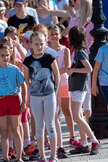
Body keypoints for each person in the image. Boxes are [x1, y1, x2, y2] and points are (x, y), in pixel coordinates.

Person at [23, 32, 60, 162]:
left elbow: (57, 75)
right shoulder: (27, 61)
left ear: (45, 44)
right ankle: (42, 156)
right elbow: (26, 80)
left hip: (49, 94)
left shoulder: (50, 57)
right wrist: (27, 97)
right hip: (35, 96)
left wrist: (55, 91)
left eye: (41, 44)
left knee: (51, 125)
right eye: (36, 44)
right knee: (39, 126)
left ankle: (53, 156)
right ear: (31, 45)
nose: (39, 46)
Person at [0, 43, 26, 162]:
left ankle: (19, 157)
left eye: (7, 55)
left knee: (16, 129)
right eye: (2, 55)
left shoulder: (14, 69)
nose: (5, 57)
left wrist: (24, 102)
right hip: (0, 101)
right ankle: (5, 158)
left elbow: (23, 85)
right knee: (3, 131)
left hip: (14, 99)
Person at [67, 26, 101, 155]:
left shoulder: (80, 52)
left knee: (76, 116)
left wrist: (73, 70)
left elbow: (89, 69)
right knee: (79, 116)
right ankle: (84, 143)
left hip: (79, 87)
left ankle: (94, 140)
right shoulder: (77, 51)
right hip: (76, 86)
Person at [48, 24, 73, 158]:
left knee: (66, 110)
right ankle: (53, 139)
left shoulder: (65, 50)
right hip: (50, 84)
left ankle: (72, 135)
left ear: (60, 35)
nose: (54, 36)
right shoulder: (45, 50)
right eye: (51, 34)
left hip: (63, 83)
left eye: (56, 34)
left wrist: (54, 73)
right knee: (54, 113)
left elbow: (67, 68)